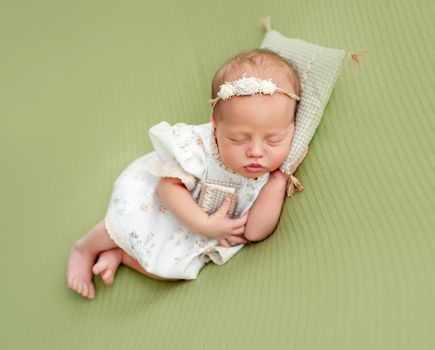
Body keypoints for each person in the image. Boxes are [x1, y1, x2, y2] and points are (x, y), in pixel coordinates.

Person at [67, 48, 306, 300]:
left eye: (274, 139)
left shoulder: (269, 176)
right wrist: (204, 224)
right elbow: (166, 188)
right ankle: (83, 249)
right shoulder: (198, 148)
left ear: (291, 129)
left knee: (172, 269)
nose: (256, 152)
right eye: (237, 139)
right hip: (162, 204)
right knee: (125, 220)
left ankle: (122, 255)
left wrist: (278, 182)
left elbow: (254, 233)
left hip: (195, 234)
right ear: (215, 127)